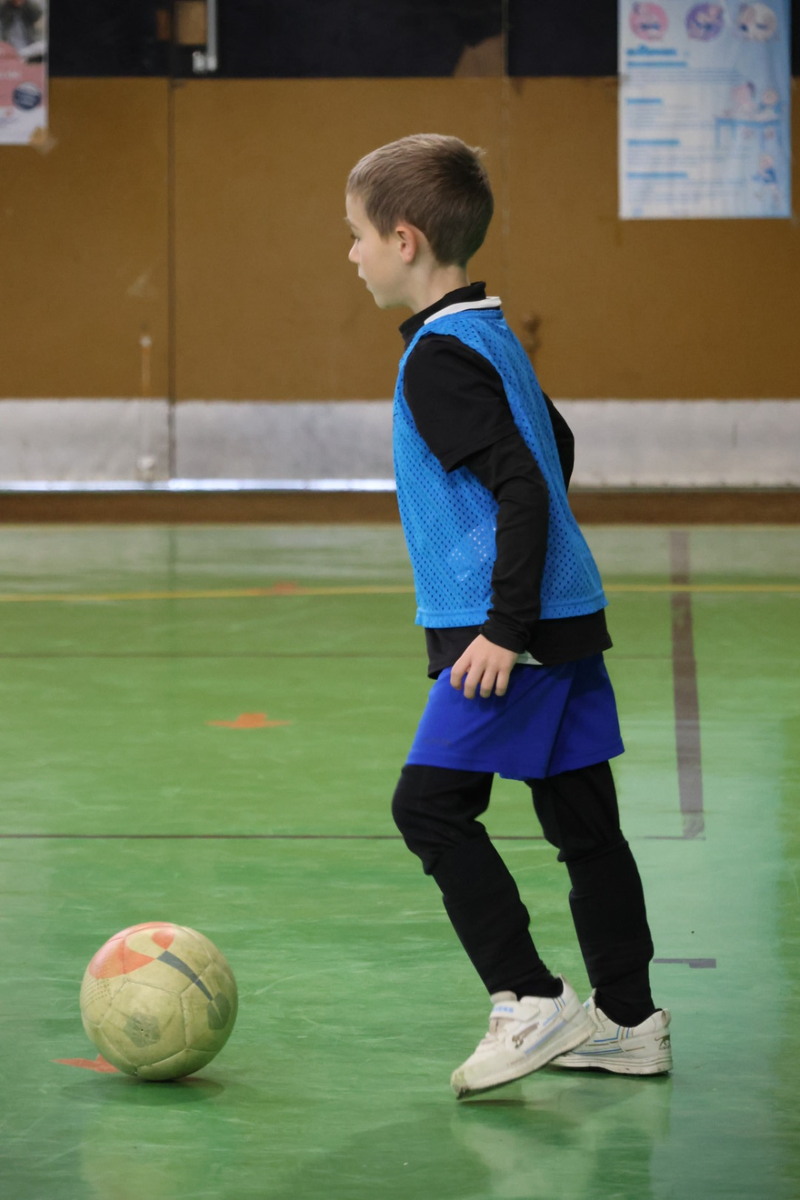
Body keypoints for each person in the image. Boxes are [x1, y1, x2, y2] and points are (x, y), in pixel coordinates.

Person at [344, 133, 672, 1099]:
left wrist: (502, 624)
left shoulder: (437, 359)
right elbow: (552, 444)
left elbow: (525, 482)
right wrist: (535, 586)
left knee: (428, 808)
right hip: (562, 614)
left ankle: (528, 998)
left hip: (511, 633)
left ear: (405, 240)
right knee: (585, 824)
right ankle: (628, 1020)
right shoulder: (487, 331)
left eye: (357, 235)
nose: (351, 254)